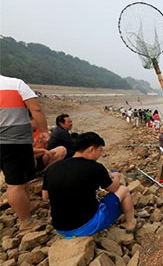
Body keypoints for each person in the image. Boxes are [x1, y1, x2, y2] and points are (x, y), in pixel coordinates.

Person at [42, 132, 136, 237]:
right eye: (100, 150)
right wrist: (116, 176)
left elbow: (45, 196)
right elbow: (113, 188)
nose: (100, 154)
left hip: (60, 228)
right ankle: (130, 224)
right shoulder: (95, 167)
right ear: (91, 149)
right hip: (86, 226)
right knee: (123, 190)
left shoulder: (53, 168)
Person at [0, 75, 50, 230]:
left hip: (10, 142)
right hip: (13, 141)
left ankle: (24, 205)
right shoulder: (16, 84)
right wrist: (44, 131)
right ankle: (25, 221)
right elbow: (35, 108)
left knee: (19, 181)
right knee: (16, 184)